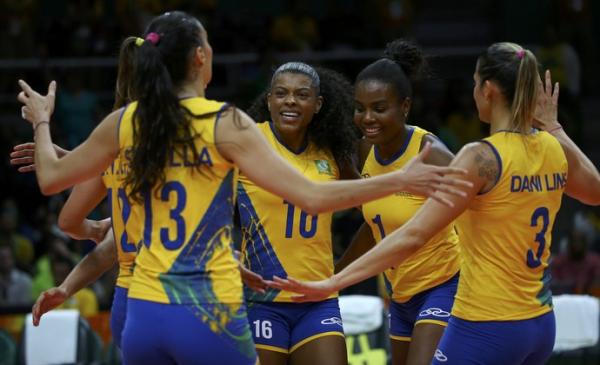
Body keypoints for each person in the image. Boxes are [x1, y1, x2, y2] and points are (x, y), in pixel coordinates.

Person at [16, 11, 469, 365]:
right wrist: (400, 179)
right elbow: (310, 196)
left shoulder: (127, 123)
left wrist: (40, 123)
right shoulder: (225, 123)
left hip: (143, 309)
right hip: (208, 306)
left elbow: (53, 178)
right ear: (199, 58)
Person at [268, 43, 600, 365]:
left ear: (487, 90)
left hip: (485, 317)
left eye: (473, 83)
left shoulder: (478, 156)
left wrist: (332, 283)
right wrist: (555, 128)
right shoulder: (551, 147)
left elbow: (413, 235)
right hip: (538, 321)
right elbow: (595, 192)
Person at [336, 39, 460, 365]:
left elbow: (478, 211)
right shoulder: (365, 150)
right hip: (399, 293)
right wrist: (336, 275)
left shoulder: (432, 154)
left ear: (404, 107)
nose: (366, 118)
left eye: (379, 108)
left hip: (444, 284)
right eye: (359, 107)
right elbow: (374, 224)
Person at [238, 62, 357, 365]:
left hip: (318, 299)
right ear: (269, 100)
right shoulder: (246, 143)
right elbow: (207, 205)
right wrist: (225, 255)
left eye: (301, 95)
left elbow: (373, 208)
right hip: (261, 300)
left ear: (317, 105)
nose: (290, 100)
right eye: (281, 93)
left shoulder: (332, 152)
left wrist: (344, 269)